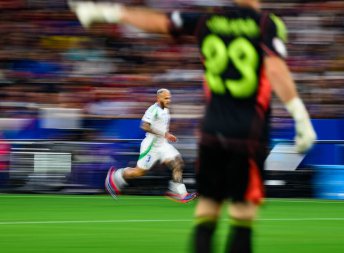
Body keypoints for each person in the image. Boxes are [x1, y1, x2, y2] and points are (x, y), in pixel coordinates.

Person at [70, 0, 317, 252]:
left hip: (212, 131)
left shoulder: (206, 20)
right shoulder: (266, 23)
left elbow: (160, 23)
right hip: (247, 132)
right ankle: (120, 178)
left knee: (207, 209)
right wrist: (300, 116)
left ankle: (165, 188)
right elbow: (275, 68)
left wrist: (110, 12)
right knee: (242, 213)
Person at [105, 88, 198, 203]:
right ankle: (115, 176)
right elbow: (144, 126)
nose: (168, 100)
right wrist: (165, 134)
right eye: (166, 98)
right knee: (139, 172)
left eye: (169, 98)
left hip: (163, 145)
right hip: (151, 146)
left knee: (178, 163)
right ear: (158, 98)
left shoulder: (166, 109)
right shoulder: (153, 110)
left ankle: (179, 193)